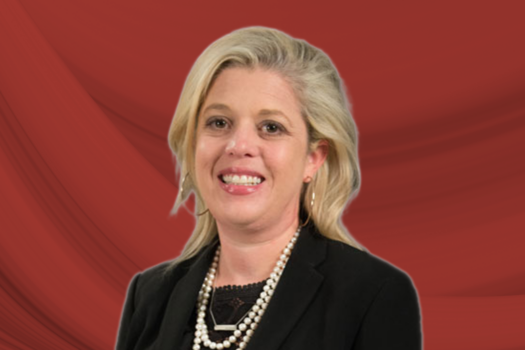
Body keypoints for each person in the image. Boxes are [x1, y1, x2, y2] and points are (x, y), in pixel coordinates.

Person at [116, 27, 422, 350]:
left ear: (313, 158)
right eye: (219, 122)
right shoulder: (149, 295)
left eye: (271, 127)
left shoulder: (373, 295)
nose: (238, 145)